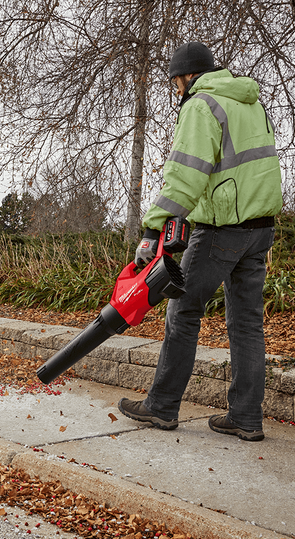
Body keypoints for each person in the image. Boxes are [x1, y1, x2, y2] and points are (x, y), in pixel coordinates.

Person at [118, 41, 282, 441]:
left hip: (222, 229)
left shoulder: (201, 105)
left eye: (176, 83)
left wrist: (154, 228)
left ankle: (161, 406)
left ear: (186, 76)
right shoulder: (249, 102)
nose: (176, 91)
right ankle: (246, 417)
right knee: (247, 324)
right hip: (260, 229)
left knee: (183, 312)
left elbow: (185, 176)